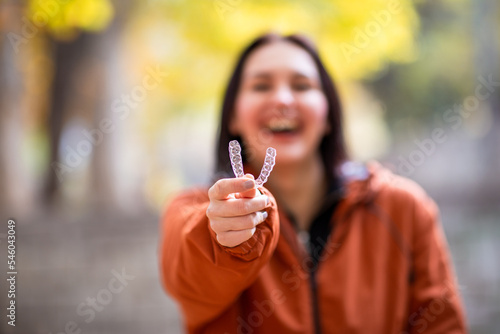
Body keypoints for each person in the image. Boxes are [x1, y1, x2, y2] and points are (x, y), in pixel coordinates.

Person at [158, 33, 467, 334]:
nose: (281, 98)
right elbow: (189, 276)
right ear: (233, 117)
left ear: (328, 114)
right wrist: (221, 239)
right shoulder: (193, 213)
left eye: (302, 85)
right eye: (261, 85)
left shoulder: (404, 209)